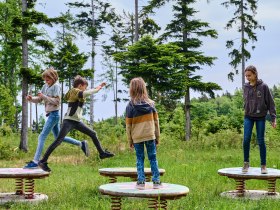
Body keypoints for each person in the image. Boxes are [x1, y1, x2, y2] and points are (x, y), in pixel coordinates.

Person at [38, 75, 114, 172]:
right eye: (85, 87)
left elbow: (87, 92)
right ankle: (43, 161)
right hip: (69, 121)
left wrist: (99, 86)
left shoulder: (78, 91)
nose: (85, 89)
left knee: (93, 133)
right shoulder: (74, 91)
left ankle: (102, 153)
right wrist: (98, 88)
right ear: (80, 86)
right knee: (58, 141)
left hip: (76, 121)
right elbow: (86, 93)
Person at [24, 68, 89, 169]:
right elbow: (40, 99)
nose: (46, 81)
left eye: (48, 79)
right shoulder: (45, 86)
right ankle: (81, 144)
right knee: (58, 137)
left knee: (41, 136)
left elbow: (57, 102)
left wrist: (44, 97)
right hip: (50, 115)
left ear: (53, 78)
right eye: (45, 79)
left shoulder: (56, 87)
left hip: (54, 115)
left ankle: (36, 161)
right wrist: (31, 99)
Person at [125, 77, 161, 189]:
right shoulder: (151, 104)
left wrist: (130, 140)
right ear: (143, 88)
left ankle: (141, 181)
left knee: (139, 158)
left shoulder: (130, 106)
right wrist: (157, 137)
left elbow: (128, 126)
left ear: (132, 90)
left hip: (137, 137)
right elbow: (156, 123)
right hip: (150, 135)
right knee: (153, 158)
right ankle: (156, 180)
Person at [242, 65, 277, 174]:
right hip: (248, 116)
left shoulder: (264, 86)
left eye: (249, 75)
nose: (247, 77)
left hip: (260, 117)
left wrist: (273, 118)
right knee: (246, 139)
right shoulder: (246, 87)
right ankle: (246, 163)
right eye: (246, 76)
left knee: (260, 141)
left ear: (255, 74)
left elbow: (271, 103)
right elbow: (246, 101)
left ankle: (263, 165)